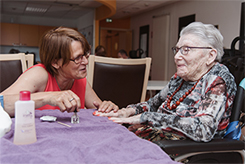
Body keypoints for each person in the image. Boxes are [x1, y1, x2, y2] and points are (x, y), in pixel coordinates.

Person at [93, 22, 237, 142]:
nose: (177, 56)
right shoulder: (180, 78)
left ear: (210, 55)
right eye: (177, 49)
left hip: (182, 149)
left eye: (186, 50)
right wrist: (126, 112)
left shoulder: (218, 80)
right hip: (155, 137)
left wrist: (146, 118)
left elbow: (203, 129)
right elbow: (152, 104)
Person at [1, 27, 118, 117]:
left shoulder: (79, 78)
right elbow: (1, 104)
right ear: (55, 63)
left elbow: (100, 111)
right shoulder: (39, 74)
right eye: (77, 58)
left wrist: (107, 107)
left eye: (85, 55)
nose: (86, 62)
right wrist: (48, 97)